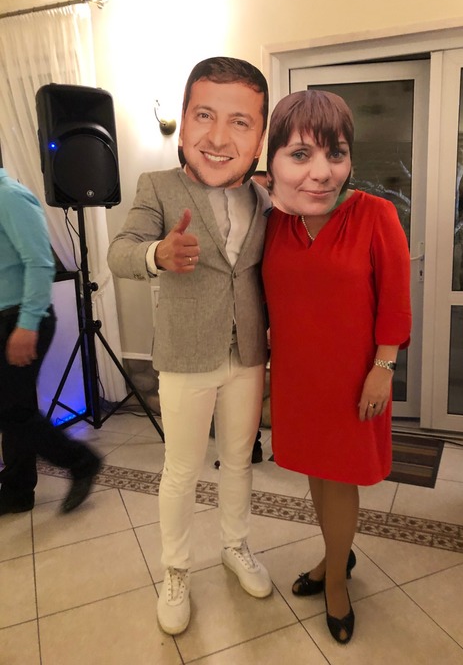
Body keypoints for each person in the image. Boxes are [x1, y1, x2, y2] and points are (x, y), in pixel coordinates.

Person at [107, 57, 273, 636]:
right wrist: (157, 255)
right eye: (205, 116)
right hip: (184, 354)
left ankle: (235, 545)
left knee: (239, 461)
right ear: (183, 121)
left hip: (247, 353)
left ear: (259, 139)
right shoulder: (157, 186)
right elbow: (121, 251)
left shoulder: (265, 199)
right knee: (181, 469)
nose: (219, 137)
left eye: (239, 122)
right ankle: (175, 571)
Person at [262, 90, 411, 644]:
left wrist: (384, 367)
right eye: (301, 154)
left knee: (342, 477)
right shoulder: (274, 223)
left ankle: (335, 582)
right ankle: (334, 556)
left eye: (336, 153)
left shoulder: (375, 215)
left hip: (355, 376)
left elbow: (395, 301)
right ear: (274, 160)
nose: (323, 172)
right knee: (315, 471)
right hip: (298, 377)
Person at [0, 159, 102, 517]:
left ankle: (81, 462)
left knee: (13, 412)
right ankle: (17, 490)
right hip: (8, 318)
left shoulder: (9, 197)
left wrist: (26, 325)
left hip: (20, 320)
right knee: (15, 410)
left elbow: (41, 262)